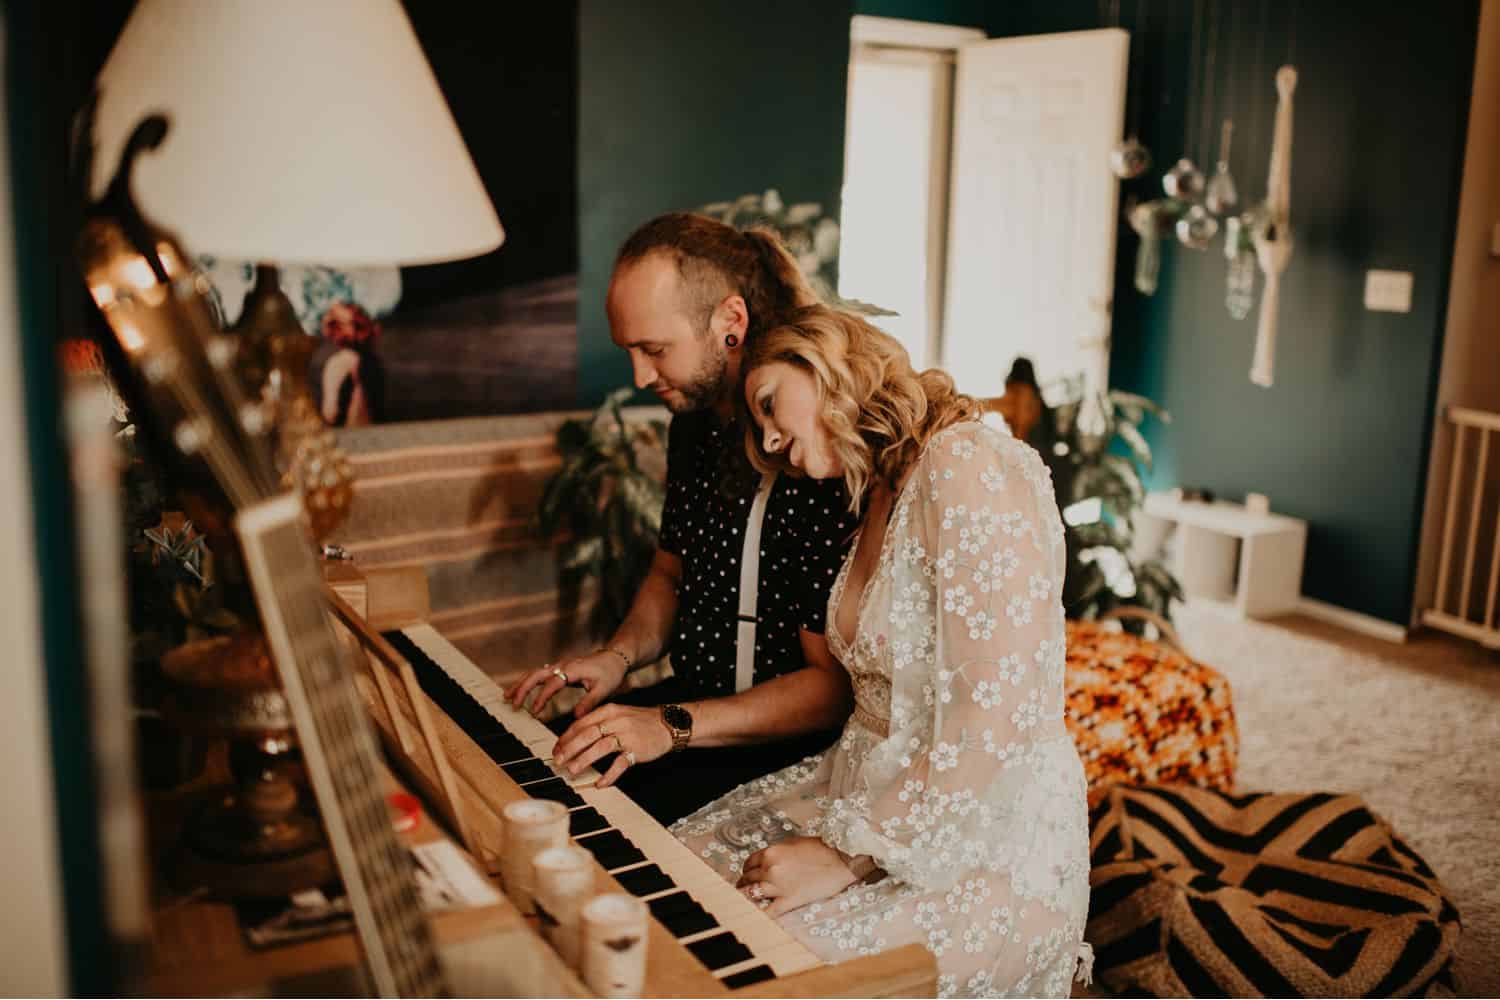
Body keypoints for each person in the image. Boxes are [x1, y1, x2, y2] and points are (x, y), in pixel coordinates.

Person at [669, 304, 1093, 998]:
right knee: (681, 872)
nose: (771, 441)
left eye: (771, 406)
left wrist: (845, 857)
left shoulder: (968, 463)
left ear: (830, 363)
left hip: (981, 837)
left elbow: (995, 724)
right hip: (857, 792)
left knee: (751, 970)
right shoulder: (877, 491)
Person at [505, 213, 860, 824]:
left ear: (731, 322)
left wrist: (669, 726)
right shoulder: (693, 426)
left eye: (654, 350)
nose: (640, 377)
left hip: (779, 748)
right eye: (631, 352)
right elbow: (669, 575)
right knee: (526, 779)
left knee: (574, 820)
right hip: (693, 716)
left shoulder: (810, 440)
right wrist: (616, 658)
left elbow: (829, 689)